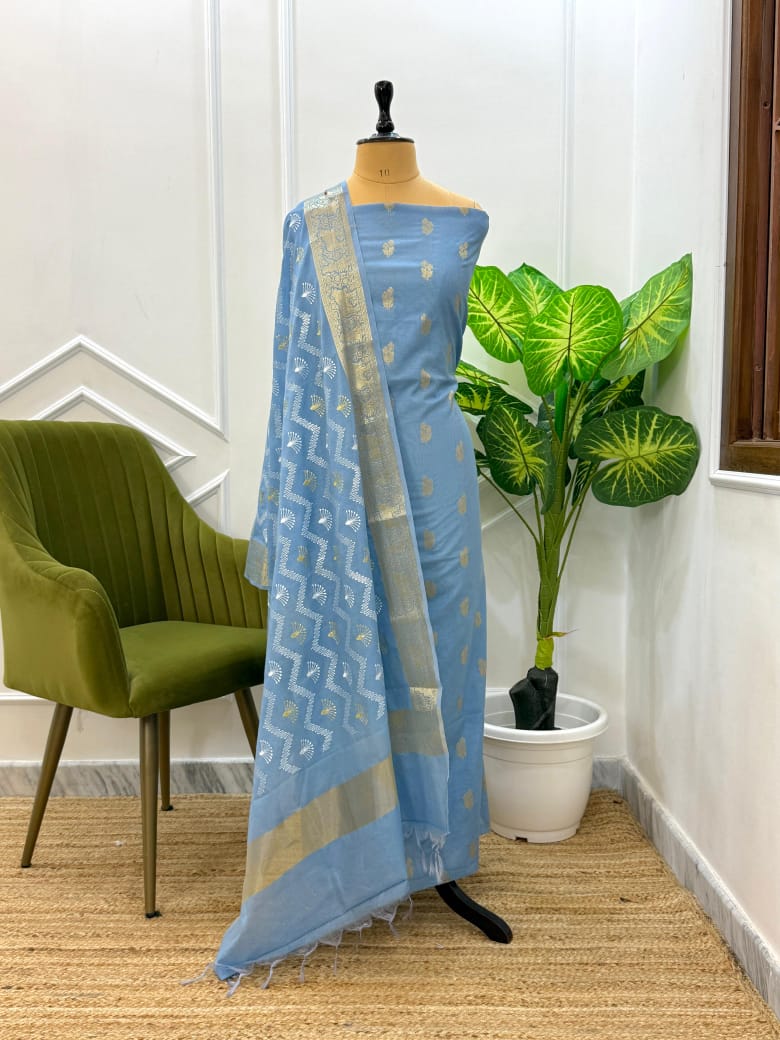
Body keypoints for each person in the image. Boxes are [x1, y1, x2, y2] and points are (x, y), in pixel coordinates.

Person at [211, 130, 491, 987]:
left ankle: (435, 847)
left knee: (444, 667)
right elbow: (294, 378)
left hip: (439, 480)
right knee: (360, 658)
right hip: (344, 482)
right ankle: (358, 856)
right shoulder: (312, 228)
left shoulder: (468, 222)